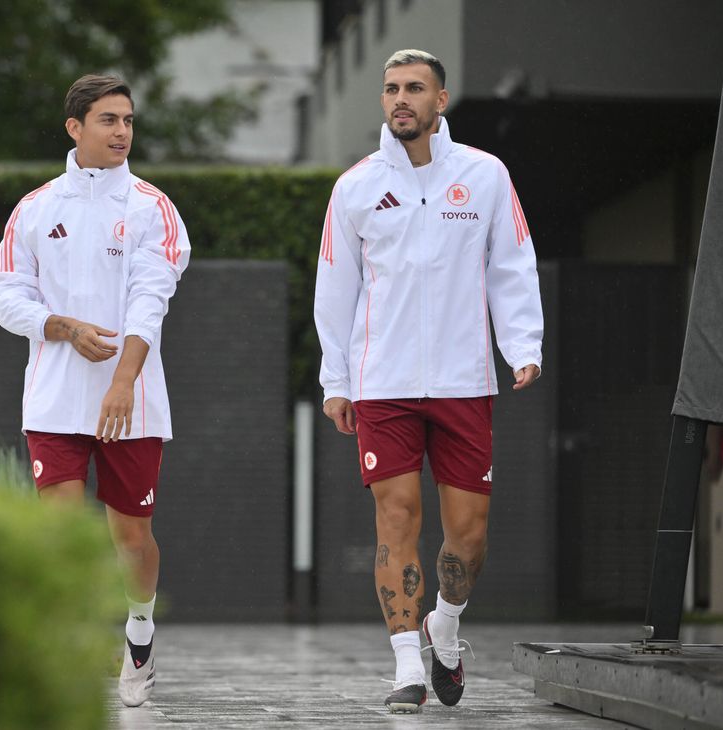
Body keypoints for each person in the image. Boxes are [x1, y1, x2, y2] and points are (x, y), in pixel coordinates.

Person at [313, 49, 543, 714]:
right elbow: (336, 291)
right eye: (391, 89)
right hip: (380, 380)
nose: (401, 99)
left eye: (415, 88)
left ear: (441, 99)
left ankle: (444, 625)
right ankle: (407, 668)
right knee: (396, 519)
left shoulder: (486, 176)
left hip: (463, 378)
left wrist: (521, 343)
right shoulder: (355, 188)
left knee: (468, 534)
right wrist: (336, 381)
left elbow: (512, 265)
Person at [0, 74, 190, 708]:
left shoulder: (152, 207)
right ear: (74, 128)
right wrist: (62, 327)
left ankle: (138, 635)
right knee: (60, 533)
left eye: (128, 120)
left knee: (131, 537)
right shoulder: (35, 207)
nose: (122, 131)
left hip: (132, 402)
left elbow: (151, 298)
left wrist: (123, 380)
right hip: (53, 401)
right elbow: (7, 296)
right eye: (108, 120)